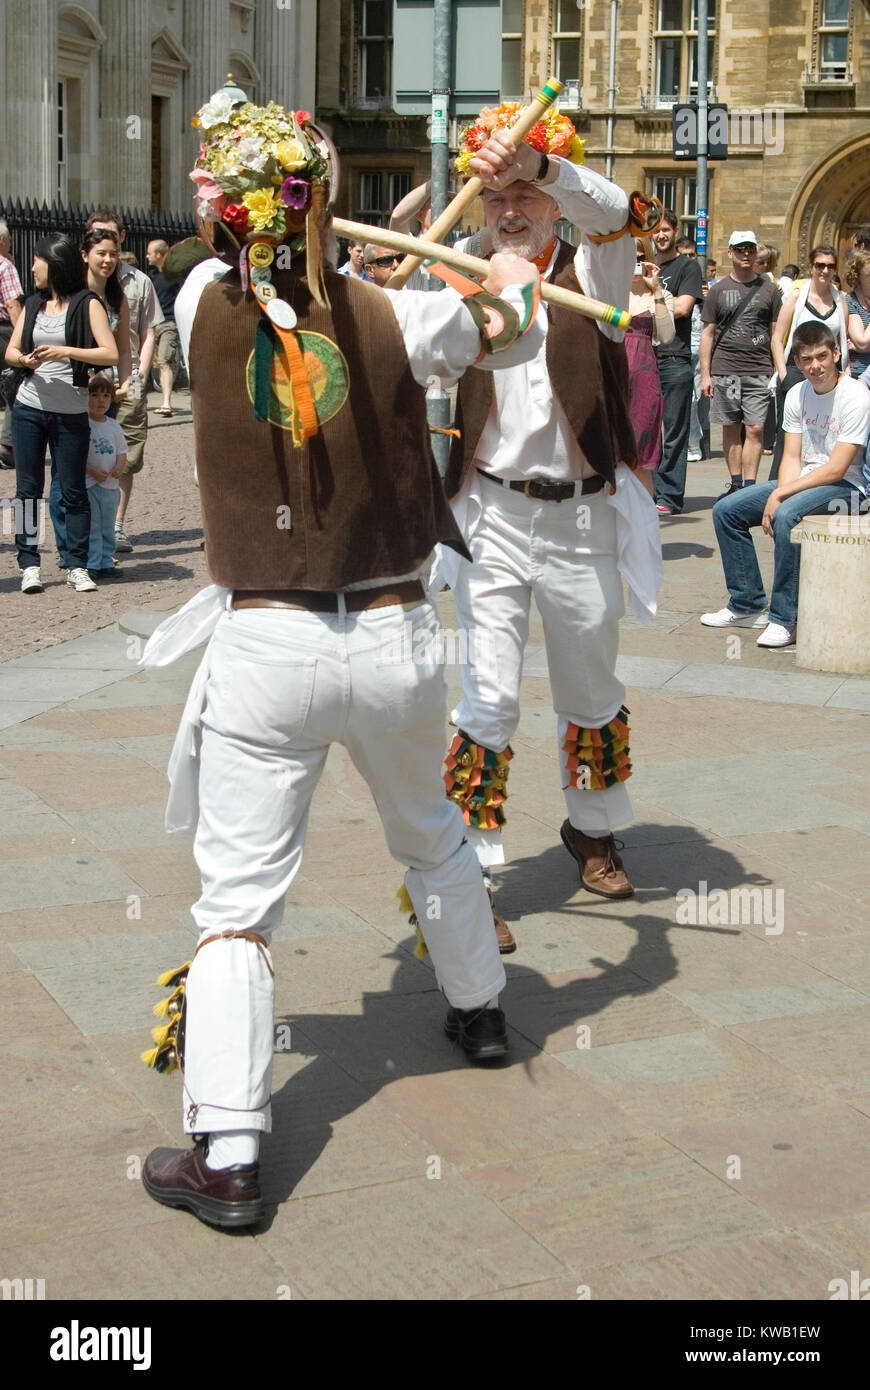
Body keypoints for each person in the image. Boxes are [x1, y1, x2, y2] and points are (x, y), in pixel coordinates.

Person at [137, 89, 547, 1229]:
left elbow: (256, 265)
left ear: (227, 214)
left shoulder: (191, 305)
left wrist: (371, 246)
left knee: (237, 903)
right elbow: (512, 333)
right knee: (432, 832)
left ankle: (227, 1149)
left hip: (267, 639)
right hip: (398, 633)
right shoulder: (397, 316)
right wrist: (507, 280)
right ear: (324, 208)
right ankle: (478, 1011)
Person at [436, 102, 663, 948]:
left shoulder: (594, 271)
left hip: (581, 519)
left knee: (591, 690)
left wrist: (541, 162)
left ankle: (592, 828)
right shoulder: (456, 272)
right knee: (486, 699)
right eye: (494, 198)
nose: (509, 212)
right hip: (492, 512)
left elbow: (618, 209)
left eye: (525, 196)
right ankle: (471, 874)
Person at [702, 321, 869, 648]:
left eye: (822, 357)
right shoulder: (797, 393)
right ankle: (746, 605)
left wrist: (781, 495)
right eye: (807, 360)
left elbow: (837, 468)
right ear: (796, 362)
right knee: (726, 510)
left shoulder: (856, 396)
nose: (816, 366)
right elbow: (791, 457)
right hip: (806, 480)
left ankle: (785, 618)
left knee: (786, 514)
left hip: (850, 490)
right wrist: (782, 490)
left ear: (836, 354)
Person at [4, 234, 117, 593]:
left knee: (72, 491)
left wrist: (64, 351)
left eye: (36, 261)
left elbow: (109, 353)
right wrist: (24, 359)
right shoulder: (34, 304)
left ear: (53, 264)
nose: (32, 267)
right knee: (27, 490)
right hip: (29, 408)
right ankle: (29, 563)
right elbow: (11, 351)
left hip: (70, 412)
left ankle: (76, 564)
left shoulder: (88, 304)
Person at [49, 227, 132, 568]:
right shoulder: (73, 294)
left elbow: (123, 348)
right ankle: (69, 548)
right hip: (69, 391)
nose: (108, 260)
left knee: (100, 468)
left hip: (102, 392)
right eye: (101, 253)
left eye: (113, 254)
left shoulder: (117, 297)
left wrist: (126, 383)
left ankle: (96, 546)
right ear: (85, 255)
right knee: (67, 471)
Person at [85, 209, 162, 553]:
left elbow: (148, 331)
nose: (107, 252)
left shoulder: (138, 281)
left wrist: (140, 375)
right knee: (86, 451)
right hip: (88, 382)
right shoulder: (79, 283)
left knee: (125, 455)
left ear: (122, 239)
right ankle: (88, 526)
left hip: (127, 378)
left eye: (111, 241)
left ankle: (115, 525)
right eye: (98, 239)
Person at [699, 230, 781, 496]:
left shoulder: (769, 290)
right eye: (740, 249)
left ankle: (749, 486)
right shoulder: (718, 290)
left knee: (756, 428)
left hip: (758, 369)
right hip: (726, 370)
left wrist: (779, 370)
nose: (746, 254)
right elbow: (708, 333)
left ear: (756, 253)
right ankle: (736, 484)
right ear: (730, 253)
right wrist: (706, 374)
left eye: (750, 249)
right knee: (731, 426)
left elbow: (775, 333)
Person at [770, 244, 849, 479]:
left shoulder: (839, 299)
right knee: (788, 441)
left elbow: (842, 343)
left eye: (830, 266)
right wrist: (784, 375)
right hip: (797, 372)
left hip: (828, 376)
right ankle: (778, 489)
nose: (825, 271)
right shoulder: (797, 296)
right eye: (820, 265)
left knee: (825, 436)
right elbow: (777, 339)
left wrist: (846, 375)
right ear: (811, 267)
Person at [652, 210, 704, 515]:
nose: (661, 235)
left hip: (674, 357)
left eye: (666, 229)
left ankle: (669, 496)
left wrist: (653, 291)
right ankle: (648, 491)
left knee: (672, 432)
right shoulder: (642, 266)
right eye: (656, 231)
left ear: (675, 232)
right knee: (645, 430)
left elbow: (683, 308)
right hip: (643, 357)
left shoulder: (687, 267)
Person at [625, 252, 674, 493]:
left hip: (644, 378)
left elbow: (666, 336)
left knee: (641, 454)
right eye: (629, 256)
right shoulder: (609, 289)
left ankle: (644, 517)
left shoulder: (662, 296)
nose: (636, 262)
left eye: (641, 256)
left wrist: (656, 291)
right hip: (613, 374)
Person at [83, 374, 126, 577]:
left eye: (106, 395)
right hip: (90, 484)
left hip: (110, 485)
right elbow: (76, 456)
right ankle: (92, 563)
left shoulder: (113, 425)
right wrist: (91, 471)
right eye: (95, 395)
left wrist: (119, 467)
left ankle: (106, 559)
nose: (101, 401)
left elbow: (122, 451)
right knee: (93, 526)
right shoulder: (83, 424)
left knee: (108, 526)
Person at [676, 235, 706, 463]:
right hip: (682, 349)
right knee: (686, 400)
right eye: (683, 255)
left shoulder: (702, 288)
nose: (688, 260)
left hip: (699, 350)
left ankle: (694, 443)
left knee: (695, 401)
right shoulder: (677, 281)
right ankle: (688, 441)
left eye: (691, 255)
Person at [146, 239, 181, 415]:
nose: (147, 256)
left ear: (159, 255)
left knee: (164, 362)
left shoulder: (174, 276)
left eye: (149, 253)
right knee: (149, 363)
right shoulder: (150, 276)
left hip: (169, 323)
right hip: (152, 325)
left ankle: (166, 402)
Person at [0, 218, 23, 468]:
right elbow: (12, 304)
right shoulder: (5, 266)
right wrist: (22, 338)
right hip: (3, 331)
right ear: (3, 240)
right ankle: (7, 446)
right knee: (13, 387)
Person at [843, 249, 870, 379]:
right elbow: (862, 342)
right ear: (858, 276)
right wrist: (860, 347)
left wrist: (860, 347)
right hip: (858, 373)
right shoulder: (851, 301)